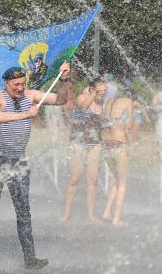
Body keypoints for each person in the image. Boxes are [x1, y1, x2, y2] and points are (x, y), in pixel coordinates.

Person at [0, 63, 72, 270]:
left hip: (18, 161)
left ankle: (29, 258)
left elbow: (62, 100)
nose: (20, 88)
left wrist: (64, 80)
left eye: (22, 84)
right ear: (6, 83)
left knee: (23, 210)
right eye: (16, 84)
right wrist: (25, 115)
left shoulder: (31, 95)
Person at [61, 78, 108, 223]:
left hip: (95, 145)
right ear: (92, 89)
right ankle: (66, 214)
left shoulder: (103, 104)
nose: (103, 93)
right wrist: (93, 94)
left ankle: (91, 215)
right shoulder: (83, 98)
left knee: (92, 181)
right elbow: (82, 107)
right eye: (100, 90)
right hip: (79, 144)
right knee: (75, 179)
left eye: (105, 90)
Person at [101, 88, 134, 226]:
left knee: (117, 179)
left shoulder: (108, 103)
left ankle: (107, 212)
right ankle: (117, 219)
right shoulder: (128, 102)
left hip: (107, 145)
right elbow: (129, 125)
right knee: (123, 183)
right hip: (120, 144)